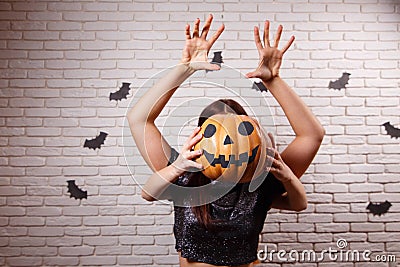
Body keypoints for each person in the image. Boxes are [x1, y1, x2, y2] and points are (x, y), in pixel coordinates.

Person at [127, 14, 325, 267]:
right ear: (199, 138)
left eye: (241, 132)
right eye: (217, 134)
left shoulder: (264, 175)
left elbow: (312, 135)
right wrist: (184, 69)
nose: (230, 144)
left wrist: (272, 80)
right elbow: (139, 120)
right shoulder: (182, 174)